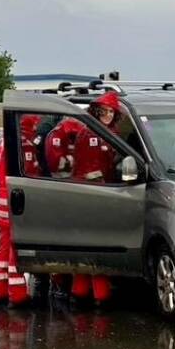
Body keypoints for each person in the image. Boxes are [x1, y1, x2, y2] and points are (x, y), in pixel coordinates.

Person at [68, 92, 124, 304]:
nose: (108, 115)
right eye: (105, 111)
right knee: (95, 245)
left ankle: (81, 292)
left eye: (111, 111)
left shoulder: (108, 132)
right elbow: (89, 169)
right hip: (93, 196)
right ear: (96, 111)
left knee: (90, 245)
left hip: (102, 194)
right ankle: (98, 294)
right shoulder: (90, 133)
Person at [0, 136, 30, 307]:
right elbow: (30, 173)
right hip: (15, 200)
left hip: (1, 197)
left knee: (3, 247)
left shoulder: (0, 141)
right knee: (15, 248)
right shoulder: (22, 143)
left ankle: (0, 292)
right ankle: (17, 295)